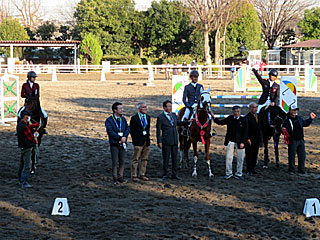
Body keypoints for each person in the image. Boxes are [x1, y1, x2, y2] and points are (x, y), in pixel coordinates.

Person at [156, 100, 189, 180]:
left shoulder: (174, 115)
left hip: (174, 140)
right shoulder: (160, 117)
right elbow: (158, 130)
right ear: (164, 107)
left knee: (175, 158)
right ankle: (165, 174)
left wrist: (187, 122)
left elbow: (178, 122)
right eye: (168, 106)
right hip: (166, 140)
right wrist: (159, 141)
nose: (170, 108)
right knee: (166, 158)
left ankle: (174, 174)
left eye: (171, 106)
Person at [214, 106, 248, 180]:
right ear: (233, 112)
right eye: (236, 111)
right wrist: (214, 117)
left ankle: (239, 173)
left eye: (238, 111)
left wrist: (243, 142)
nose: (237, 113)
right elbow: (220, 122)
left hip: (240, 142)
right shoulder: (230, 118)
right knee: (228, 158)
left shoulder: (244, 120)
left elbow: (246, 132)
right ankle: (228, 173)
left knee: (240, 159)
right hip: (231, 141)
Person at [282, 105, 316, 175]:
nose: (295, 112)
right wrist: (284, 130)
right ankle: (291, 169)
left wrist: (310, 119)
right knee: (292, 155)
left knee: (302, 155)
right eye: (293, 110)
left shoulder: (299, 118)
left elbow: (305, 123)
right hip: (292, 140)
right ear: (290, 110)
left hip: (301, 140)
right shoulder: (286, 119)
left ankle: (301, 169)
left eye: (295, 110)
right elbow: (284, 129)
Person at [105, 102, 130, 184]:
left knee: (122, 161)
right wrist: (119, 138)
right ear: (115, 110)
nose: (122, 110)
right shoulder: (109, 120)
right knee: (115, 161)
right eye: (120, 108)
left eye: (122, 108)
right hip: (114, 143)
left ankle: (121, 176)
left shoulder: (123, 119)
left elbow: (127, 128)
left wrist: (125, 137)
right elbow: (110, 132)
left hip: (123, 143)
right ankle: (115, 178)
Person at [17, 110, 40, 188]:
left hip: (23, 146)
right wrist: (35, 142)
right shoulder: (24, 127)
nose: (29, 117)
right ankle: (24, 182)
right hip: (27, 147)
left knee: (22, 164)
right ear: (25, 116)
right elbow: (30, 137)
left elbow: (28, 127)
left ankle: (20, 180)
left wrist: (34, 126)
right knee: (26, 166)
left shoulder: (20, 124)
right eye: (28, 116)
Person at [129, 102, 151, 182]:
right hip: (138, 141)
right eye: (143, 107)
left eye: (146, 107)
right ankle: (134, 175)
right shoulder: (134, 118)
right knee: (135, 158)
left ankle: (142, 174)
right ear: (139, 109)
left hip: (146, 140)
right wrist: (135, 140)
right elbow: (131, 130)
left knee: (145, 158)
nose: (145, 108)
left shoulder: (148, 117)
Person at [245, 102, 260, 175]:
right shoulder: (247, 117)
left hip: (257, 138)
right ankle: (249, 169)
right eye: (253, 107)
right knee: (249, 154)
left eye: (256, 107)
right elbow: (246, 129)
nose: (255, 109)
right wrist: (248, 139)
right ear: (250, 108)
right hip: (250, 139)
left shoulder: (258, 116)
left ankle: (253, 168)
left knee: (255, 154)